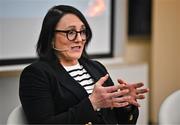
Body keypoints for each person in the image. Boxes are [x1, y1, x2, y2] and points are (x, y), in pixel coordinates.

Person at [19, 5, 149, 124]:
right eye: (70, 32)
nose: (79, 39)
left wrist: (125, 104)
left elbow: (118, 120)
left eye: (82, 31)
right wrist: (92, 104)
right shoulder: (35, 74)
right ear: (51, 37)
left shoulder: (97, 67)